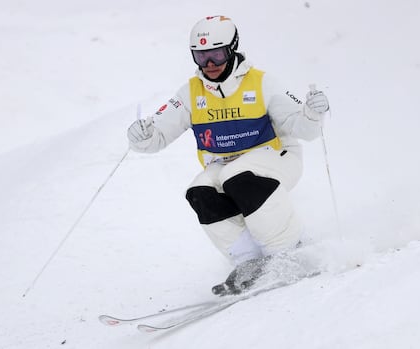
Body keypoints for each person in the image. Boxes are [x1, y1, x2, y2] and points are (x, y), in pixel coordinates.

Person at [127, 15, 330, 295]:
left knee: (237, 176)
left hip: (276, 156)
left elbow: (304, 129)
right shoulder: (190, 93)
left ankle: (288, 250)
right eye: (201, 57)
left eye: (217, 55)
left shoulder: (261, 83)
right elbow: (156, 139)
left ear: (232, 49)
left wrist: (312, 113)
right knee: (199, 190)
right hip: (224, 166)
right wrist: (142, 137)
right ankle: (250, 262)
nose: (209, 65)